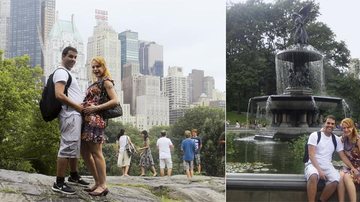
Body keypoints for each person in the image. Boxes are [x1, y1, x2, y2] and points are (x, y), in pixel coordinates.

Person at [51, 46, 89, 195]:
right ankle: (59, 183)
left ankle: (73, 176)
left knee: (74, 146)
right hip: (70, 114)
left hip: (74, 114)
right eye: (70, 56)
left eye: (75, 57)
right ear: (63, 56)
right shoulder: (61, 72)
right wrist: (78, 107)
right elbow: (59, 95)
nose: (73, 60)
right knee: (67, 147)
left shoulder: (68, 73)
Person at [80, 56, 118, 196]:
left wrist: (96, 108)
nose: (96, 69)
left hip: (96, 120)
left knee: (96, 153)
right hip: (87, 120)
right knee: (84, 152)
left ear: (104, 67)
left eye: (98, 66)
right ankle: (97, 182)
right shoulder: (96, 82)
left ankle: (103, 185)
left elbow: (115, 101)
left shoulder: (107, 82)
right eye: (93, 67)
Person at [305, 115, 356, 202]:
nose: (330, 125)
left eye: (332, 124)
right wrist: (319, 171)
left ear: (335, 126)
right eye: (328, 123)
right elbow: (311, 155)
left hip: (327, 166)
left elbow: (343, 156)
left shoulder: (336, 139)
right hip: (313, 164)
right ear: (324, 123)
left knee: (336, 180)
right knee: (313, 176)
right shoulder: (315, 135)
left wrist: (352, 167)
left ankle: (321, 200)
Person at [338, 118, 360, 202]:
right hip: (351, 166)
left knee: (347, 177)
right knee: (340, 176)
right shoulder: (342, 139)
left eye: (348, 127)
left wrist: (356, 170)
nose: (346, 130)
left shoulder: (358, 139)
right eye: (344, 128)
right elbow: (343, 157)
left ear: (353, 127)